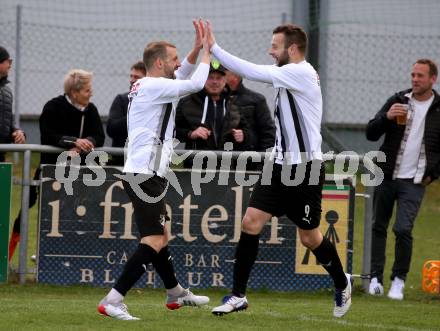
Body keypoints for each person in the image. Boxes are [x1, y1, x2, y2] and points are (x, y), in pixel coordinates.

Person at [205, 22, 352, 318]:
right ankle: (238, 296)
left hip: (305, 169)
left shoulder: (300, 72)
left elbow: (250, 71)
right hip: (278, 164)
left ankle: (342, 281)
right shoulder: (289, 74)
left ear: (292, 49)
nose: (270, 51)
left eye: (275, 46)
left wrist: (214, 48)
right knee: (250, 222)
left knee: (309, 237)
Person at [97, 20, 211, 320]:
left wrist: (196, 49)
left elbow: (183, 74)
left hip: (148, 173)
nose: (178, 63)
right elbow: (196, 82)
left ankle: (175, 293)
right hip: (144, 174)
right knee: (154, 239)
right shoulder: (156, 85)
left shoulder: (153, 83)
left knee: (162, 234)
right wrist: (209, 54)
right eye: (173, 59)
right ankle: (113, 299)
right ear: (160, 63)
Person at [8, 68, 105, 262]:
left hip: (79, 173)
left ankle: (58, 256)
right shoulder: (52, 107)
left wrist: (86, 142)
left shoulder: (91, 110)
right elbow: (48, 135)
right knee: (31, 205)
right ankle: (8, 255)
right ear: (74, 93)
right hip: (50, 169)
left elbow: (99, 136)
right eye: (87, 90)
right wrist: (72, 142)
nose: (91, 93)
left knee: (73, 212)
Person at [366, 59, 439, 300]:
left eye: (420, 75)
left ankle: (398, 280)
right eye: (413, 75)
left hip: (415, 181)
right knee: (378, 226)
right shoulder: (397, 100)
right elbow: (370, 133)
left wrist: (433, 174)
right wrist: (387, 117)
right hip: (387, 175)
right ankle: (375, 278)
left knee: (403, 229)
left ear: (432, 79)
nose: (415, 79)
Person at [175, 60, 250, 168]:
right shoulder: (187, 102)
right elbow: (174, 130)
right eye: (210, 77)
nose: (214, 82)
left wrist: (244, 135)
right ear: (203, 79)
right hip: (195, 166)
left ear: (225, 80)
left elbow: (247, 131)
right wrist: (191, 134)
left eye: (219, 78)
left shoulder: (234, 104)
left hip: (226, 167)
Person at [224, 69, 275, 153]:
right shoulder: (216, 100)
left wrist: (263, 158)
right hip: (220, 156)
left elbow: (267, 131)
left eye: (224, 73)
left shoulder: (256, 100)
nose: (217, 80)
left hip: (250, 157)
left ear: (235, 76)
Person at [106, 61, 146, 165]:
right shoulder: (121, 100)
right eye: (131, 76)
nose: (131, 80)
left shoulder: (156, 102)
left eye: (136, 77)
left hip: (146, 161)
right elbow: (111, 129)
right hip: (122, 160)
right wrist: (135, 114)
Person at [0, 46, 25, 163]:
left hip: (2, 154)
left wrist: (17, 132)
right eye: (8, 61)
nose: (10, 64)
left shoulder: (6, 91)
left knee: (3, 181)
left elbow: (8, 123)